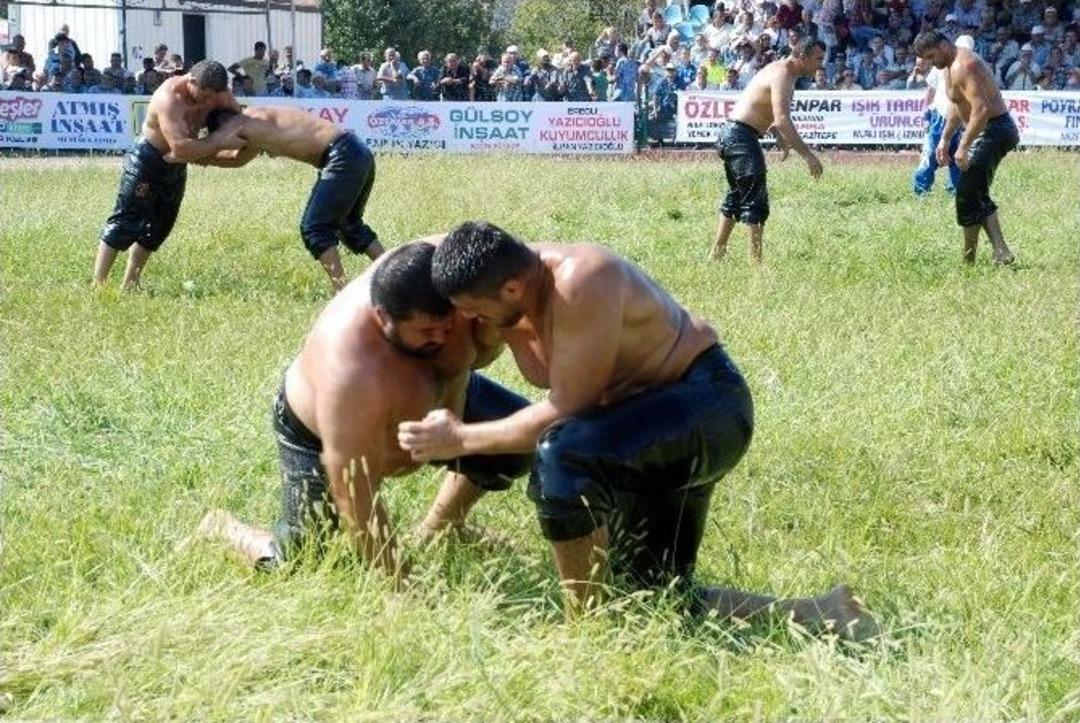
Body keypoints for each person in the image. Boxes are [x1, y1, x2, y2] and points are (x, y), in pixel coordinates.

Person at [397, 222, 878, 640]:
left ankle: (584, 631)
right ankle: (825, 613)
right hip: (634, 433)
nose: (472, 323)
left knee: (561, 454)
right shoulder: (501, 292)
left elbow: (567, 409)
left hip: (706, 406)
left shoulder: (581, 279)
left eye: (476, 312)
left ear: (511, 290)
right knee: (655, 595)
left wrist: (460, 440)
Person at [197, 242, 533, 578]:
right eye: (427, 332)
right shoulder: (347, 363)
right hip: (317, 436)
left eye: (448, 327)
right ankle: (224, 528)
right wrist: (400, 584)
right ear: (384, 318)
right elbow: (353, 488)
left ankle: (440, 528)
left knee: (516, 441)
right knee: (300, 563)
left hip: (437, 404)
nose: (442, 338)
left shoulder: (464, 284)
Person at [196, 105, 384, 292]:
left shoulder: (237, 124)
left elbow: (207, 145)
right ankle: (394, 273)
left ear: (223, 126)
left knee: (315, 228)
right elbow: (238, 159)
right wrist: (207, 160)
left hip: (341, 156)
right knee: (350, 225)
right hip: (356, 150)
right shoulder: (257, 121)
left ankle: (341, 290)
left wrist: (186, 154)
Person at [93, 60, 242, 290]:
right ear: (191, 81)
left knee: (160, 225)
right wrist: (219, 142)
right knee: (126, 221)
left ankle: (131, 283)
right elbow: (181, 147)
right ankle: (98, 284)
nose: (209, 102)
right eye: (204, 95)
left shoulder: (220, 94)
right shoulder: (169, 97)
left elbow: (240, 123)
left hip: (177, 164)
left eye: (214, 96)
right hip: (148, 158)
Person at [710, 38, 826, 264]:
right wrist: (808, 155)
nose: (820, 64)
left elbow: (765, 110)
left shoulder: (785, 73)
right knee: (755, 198)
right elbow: (782, 118)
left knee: (737, 196)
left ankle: (717, 253)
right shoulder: (782, 73)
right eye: (818, 58)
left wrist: (778, 135)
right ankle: (756, 263)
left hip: (736, 134)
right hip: (739, 135)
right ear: (802, 56)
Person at [914, 30, 1019, 264]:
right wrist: (945, 138)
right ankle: (999, 250)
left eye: (931, 56)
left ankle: (971, 259)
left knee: (966, 191)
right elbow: (957, 104)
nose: (930, 63)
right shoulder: (948, 67)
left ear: (943, 46)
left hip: (995, 129)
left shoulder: (964, 64)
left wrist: (962, 146)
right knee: (973, 191)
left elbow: (980, 110)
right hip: (983, 130)